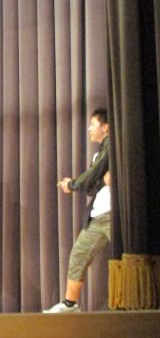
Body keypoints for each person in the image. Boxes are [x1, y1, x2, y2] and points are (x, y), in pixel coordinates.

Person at [44, 108, 111, 313]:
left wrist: (72, 184)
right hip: (98, 215)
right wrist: (101, 180)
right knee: (78, 255)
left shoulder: (112, 145)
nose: (89, 128)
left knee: (132, 257)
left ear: (105, 127)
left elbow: (92, 175)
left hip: (115, 215)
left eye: (93, 124)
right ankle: (70, 304)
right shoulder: (99, 153)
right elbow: (91, 185)